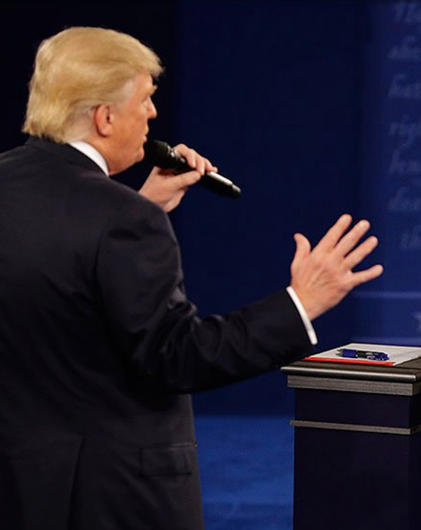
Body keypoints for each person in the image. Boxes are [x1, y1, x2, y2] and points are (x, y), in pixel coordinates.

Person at [0, 27, 382, 530]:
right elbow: (177, 356)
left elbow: (60, 285)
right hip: (111, 499)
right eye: (146, 98)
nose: (153, 114)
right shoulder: (123, 221)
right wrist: (301, 302)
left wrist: (138, 203)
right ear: (106, 116)